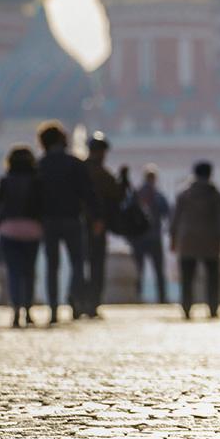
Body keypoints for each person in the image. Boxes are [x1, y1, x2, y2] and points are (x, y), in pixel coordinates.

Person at [35, 121, 101, 325]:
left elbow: (34, 197)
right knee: (77, 264)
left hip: (48, 221)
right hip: (72, 219)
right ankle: (74, 301)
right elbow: (88, 193)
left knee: (52, 266)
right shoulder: (74, 163)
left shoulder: (40, 165)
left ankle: (54, 307)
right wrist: (96, 217)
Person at [169, 161, 220, 319]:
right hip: (210, 242)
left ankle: (187, 308)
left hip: (187, 241)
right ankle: (213, 308)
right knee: (212, 278)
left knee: (187, 278)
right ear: (209, 174)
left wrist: (173, 240)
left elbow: (175, 219)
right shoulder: (215, 194)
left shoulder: (184, 193)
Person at [0, 145, 43, 328]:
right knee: (29, 272)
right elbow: (41, 206)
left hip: (10, 231)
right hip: (32, 231)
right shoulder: (37, 181)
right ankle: (28, 311)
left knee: (14, 273)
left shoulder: (6, 181)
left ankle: (15, 312)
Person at [84, 131, 121, 319]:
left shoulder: (81, 170)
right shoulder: (104, 175)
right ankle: (92, 303)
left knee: (81, 265)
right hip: (97, 226)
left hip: (82, 226)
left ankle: (80, 301)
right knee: (96, 266)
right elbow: (115, 198)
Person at [130, 163, 172, 304]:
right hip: (154, 238)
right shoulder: (158, 196)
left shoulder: (136, 195)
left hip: (138, 239)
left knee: (138, 270)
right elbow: (168, 213)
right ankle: (162, 297)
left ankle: (137, 296)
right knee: (158, 270)